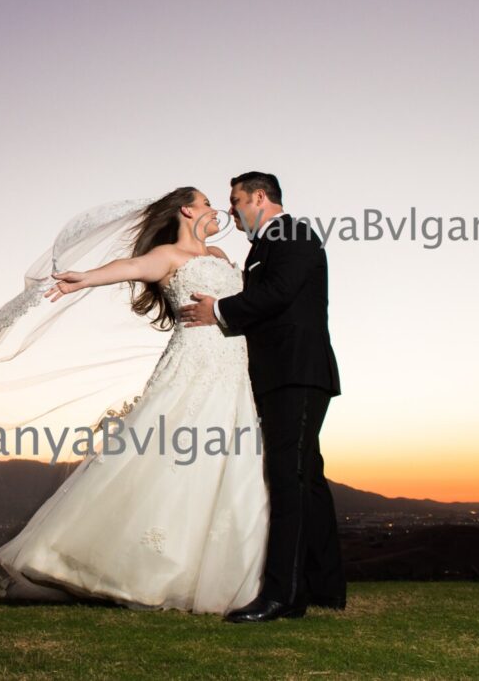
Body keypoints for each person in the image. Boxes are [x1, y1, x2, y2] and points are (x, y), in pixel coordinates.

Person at [0, 186, 271, 614]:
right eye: (208, 203)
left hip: (233, 369)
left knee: (226, 461)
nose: (217, 210)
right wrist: (86, 277)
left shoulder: (220, 258)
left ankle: (208, 573)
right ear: (186, 210)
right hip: (192, 367)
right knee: (169, 457)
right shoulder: (170, 256)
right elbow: (132, 265)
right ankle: (112, 566)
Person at [178, 171, 346, 622]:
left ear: (259, 197)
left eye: (235, 201)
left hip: (296, 372)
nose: (231, 210)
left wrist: (219, 310)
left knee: (287, 479)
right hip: (283, 373)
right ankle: (325, 586)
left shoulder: (292, 233)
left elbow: (277, 294)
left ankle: (284, 596)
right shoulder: (263, 245)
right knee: (306, 477)